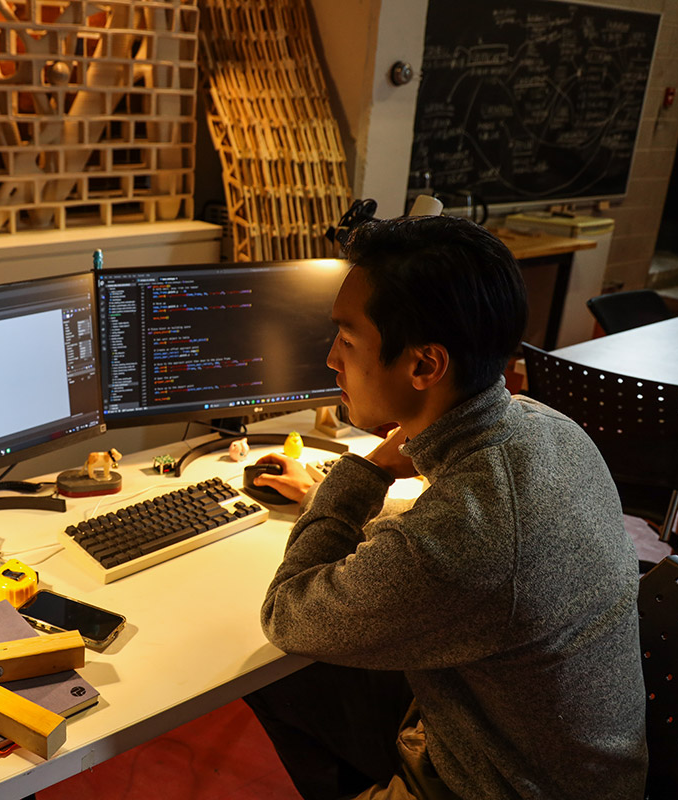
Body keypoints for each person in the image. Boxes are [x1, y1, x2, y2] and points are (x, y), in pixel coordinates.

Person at [247, 215, 647, 799]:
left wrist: (365, 472)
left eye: (348, 338)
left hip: (498, 787)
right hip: (569, 764)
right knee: (300, 681)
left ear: (425, 365)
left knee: (279, 670)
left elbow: (287, 613)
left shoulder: (465, 537)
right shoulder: (547, 429)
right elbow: (447, 555)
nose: (332, 358)